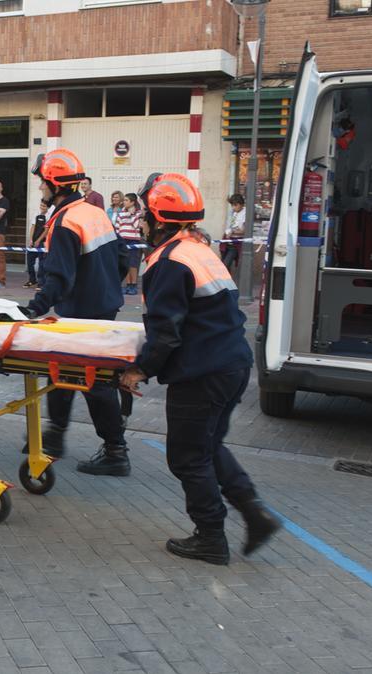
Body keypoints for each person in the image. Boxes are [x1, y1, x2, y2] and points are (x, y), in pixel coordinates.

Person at [119, 173, 280, 565]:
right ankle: (255, 513)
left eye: (144, 214)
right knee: (208, 446)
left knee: (187, 456)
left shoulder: (170, 261)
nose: (139, 220)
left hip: (202, 373)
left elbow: (166, 333)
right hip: (231, 364)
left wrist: (138, 371)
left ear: (158, 218)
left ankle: (210, 536)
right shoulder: (198, 248)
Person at [23, 148, 130, 476]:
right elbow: (123, 258)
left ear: (55, 185)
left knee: (93, 380)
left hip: (82, 312)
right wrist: (106, 286)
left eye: (43, 182)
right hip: (101, 305)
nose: (40, 187)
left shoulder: (67, 221)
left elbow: (58, 276)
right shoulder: (93, 211)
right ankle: (54, 436)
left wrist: (33, 309)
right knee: (62, 372)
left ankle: (115, 451)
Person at [116, 193, 143, 294]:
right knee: (125, 263)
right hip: (123, 240)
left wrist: (132, 215)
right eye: (124, 200)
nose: (124, 202)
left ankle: (133, 285)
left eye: (127, 200)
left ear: (132, 202)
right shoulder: (121, 213)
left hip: (134, 240)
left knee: (133, 264)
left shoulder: (138, 213)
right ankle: (127, 285)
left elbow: (136, 225)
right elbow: (118, 227)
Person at [24, 199, 48, 288]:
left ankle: (41, 282)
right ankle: (32, 280)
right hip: (33, 242)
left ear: (48, 207)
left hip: (43, 242)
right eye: (41, 206)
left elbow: (46, 230)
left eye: (44, 206)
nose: (42, 208)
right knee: (30, 261)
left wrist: (39, 241)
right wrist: (31, 240)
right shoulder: (36, 214)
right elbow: (33, 227)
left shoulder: (49, 215)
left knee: (42, 263)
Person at [221, 193, 246, 274]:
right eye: (232, 205)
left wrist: (233, 232)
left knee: (225, 265)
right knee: (223, 266)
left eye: (235, 205)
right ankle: (227, 283)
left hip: (235, 243)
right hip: (227, 241)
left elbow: (244, 230)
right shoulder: (235, 213)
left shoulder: (245, 214)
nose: (233, 207)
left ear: (241, 204)